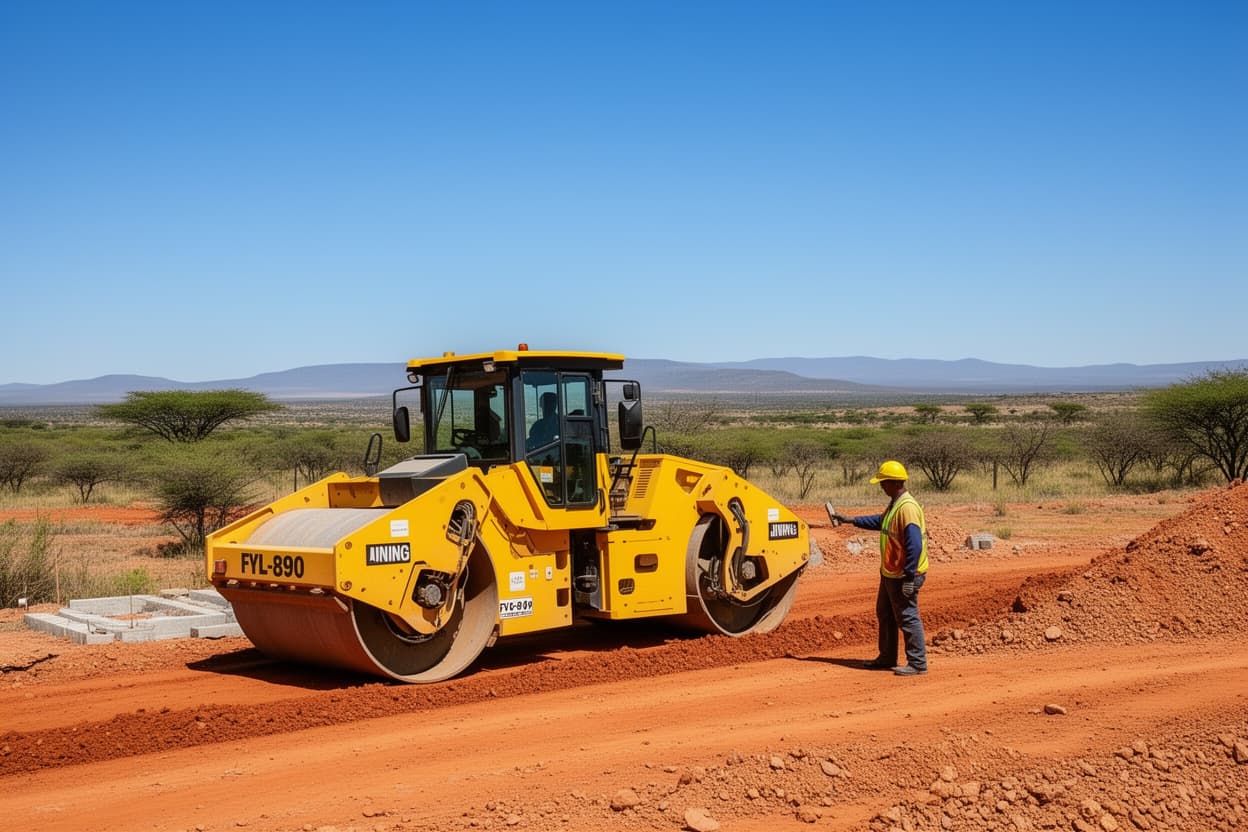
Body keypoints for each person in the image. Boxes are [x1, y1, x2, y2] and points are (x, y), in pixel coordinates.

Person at [828, 460, 929, 676]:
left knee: (907, 616)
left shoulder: (907, 508)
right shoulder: (895, 504)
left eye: (883, 483)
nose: (881, 486)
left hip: (904, 575)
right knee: (885, 613)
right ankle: (887, 657)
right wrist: (850, 520)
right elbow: (879, 522)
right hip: (891, 573)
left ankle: (918, 663)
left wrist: (910, 577)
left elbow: (915, 545)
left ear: (894, 483)